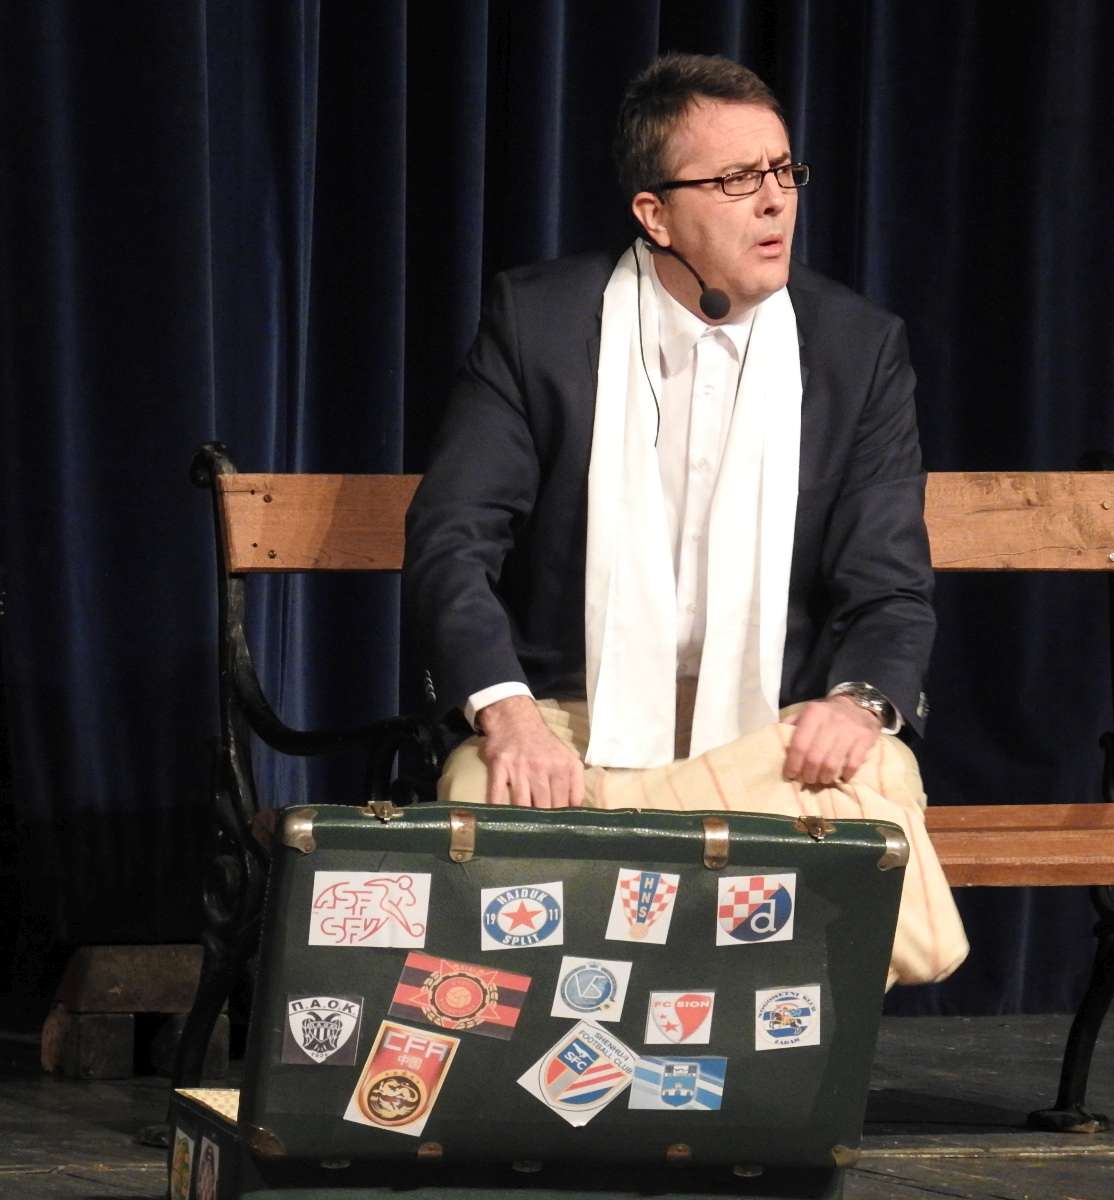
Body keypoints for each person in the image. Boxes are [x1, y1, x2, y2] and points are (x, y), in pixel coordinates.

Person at [405, 53, 964, 986]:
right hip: (572, 722)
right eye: (737, 179)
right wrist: (508, 715)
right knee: (484, 803)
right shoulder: (541, 325)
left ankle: (644, 846)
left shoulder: (856, 348)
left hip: (767, 730)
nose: (775, 201)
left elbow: (890, 585)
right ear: (654, 214)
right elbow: (451, 543)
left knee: (875, 796)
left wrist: (857, 703)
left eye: (783, 171)